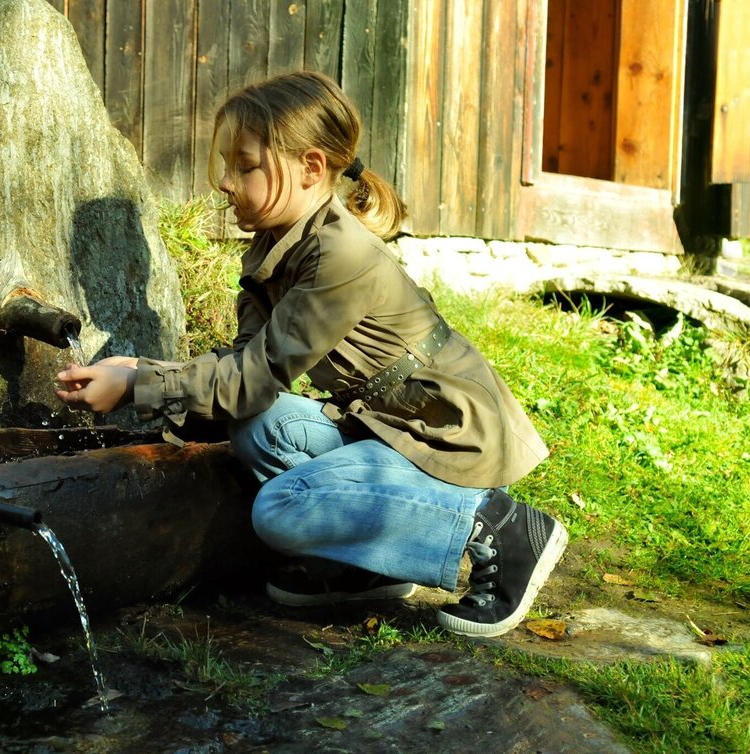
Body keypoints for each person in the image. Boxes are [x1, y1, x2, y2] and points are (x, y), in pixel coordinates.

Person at [55, 70, 567, 638]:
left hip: (446, 432)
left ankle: (499, 526)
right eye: (226, 166)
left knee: (279, 508)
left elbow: (255, 376)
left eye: (244, 166)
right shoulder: (276, 244)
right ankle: (359, 566)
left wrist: (137, 385)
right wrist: (141, 372)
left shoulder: (339, 254)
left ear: (311, 168)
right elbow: (248, 370)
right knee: (259, 429)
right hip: (390, 427)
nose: (225, 183)